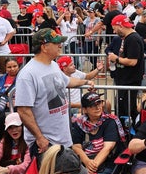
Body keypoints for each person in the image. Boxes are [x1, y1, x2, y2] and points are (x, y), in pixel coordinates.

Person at [15, 28, 95, 158]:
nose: (60, 45)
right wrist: (40, 138)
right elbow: (23, 110)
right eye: (56, 43)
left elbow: (67, 81)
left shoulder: (53, 65)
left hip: (62, 137)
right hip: (46, 142)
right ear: (44, 47)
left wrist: (85, 82)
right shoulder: (27, 74)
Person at [71, 91, 125, 174]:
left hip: (107, 163)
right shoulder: (79, 123)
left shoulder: (110, 121)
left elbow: (107, 148)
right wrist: (87, 162)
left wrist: (91, 168)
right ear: (85, 109)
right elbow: (76, 146)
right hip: (85, 162)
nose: (97, 107)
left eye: (99, 103)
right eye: (92, 105)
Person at [107, 14, 144, 122]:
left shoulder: (132, 38)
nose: (114, 32)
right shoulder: (128, 38)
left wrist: (116, 58)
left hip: (129, 81)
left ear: (120, 26)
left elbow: (133, 61)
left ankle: (127, 132)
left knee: (126, 109)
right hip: (125, 80)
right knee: (124, 108)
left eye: (114, 29)